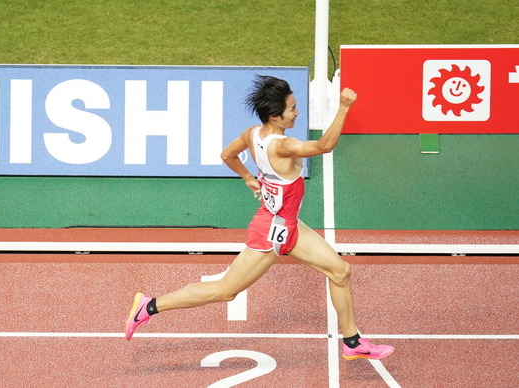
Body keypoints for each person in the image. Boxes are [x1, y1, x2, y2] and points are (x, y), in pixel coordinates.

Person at [125, 75, 393, 360]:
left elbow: (228, 155)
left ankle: (352, 343)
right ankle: (149, 306)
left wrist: (249, 178)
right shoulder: (283, 145)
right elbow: (325, 146)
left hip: (289, 225)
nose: (297, 112)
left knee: (340, 272)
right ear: (275, 117)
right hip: (270, 230)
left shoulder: (252, 134)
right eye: (292, 109)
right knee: (226, 291)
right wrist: (343, 107)